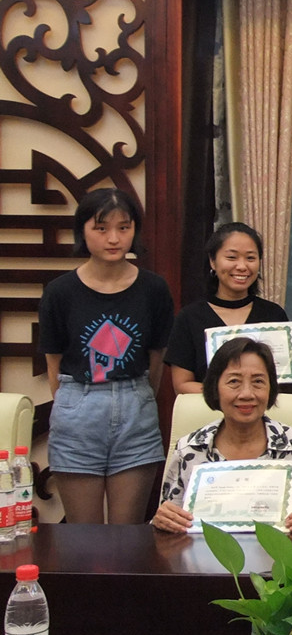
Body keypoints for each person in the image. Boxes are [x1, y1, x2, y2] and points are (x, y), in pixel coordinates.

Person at [38, 188, 174, 524]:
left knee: (127, 536)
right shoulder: (60, 291)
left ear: (134, 230)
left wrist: (138, 397)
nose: (114, 238)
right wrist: (74, 403)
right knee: (84, 536)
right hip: (78, 408)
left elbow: (157, 357)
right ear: (82, 231)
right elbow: (54, 363)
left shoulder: (154, 288)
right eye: (101, 228)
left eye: (123, 227)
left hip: (136, 409)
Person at [151, 337, 292, 534]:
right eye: (234, 382)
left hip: (277, 552)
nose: (247, 394)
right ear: (215, 387)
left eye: (258, 382)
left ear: (271, 388)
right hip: (203, 552)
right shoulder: (189, 448)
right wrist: (162, 520)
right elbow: (169, 524)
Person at [165, 222, 289, 394]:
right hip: (208, 409)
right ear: (213, 261)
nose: (242, 266)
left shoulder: (274, 315)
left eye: (250, 258)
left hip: (265, 410)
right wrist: (231, 393)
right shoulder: (189, 317)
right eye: (232, 257)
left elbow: (285, 381)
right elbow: (182, 384)